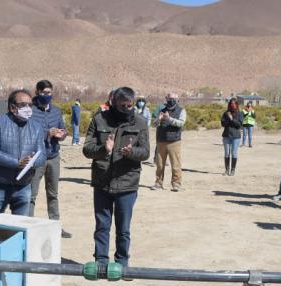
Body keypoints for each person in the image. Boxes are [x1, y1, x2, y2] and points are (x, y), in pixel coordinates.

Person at [83, 87, 149, 269]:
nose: (127, 109)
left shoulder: (140, 122)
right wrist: (104, 149)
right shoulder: (99, 119)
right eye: (123, 105)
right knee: (102, 226)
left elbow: (145, 152)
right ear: (113, 103)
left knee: (123, 229)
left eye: (130, 105)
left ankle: (122, 263)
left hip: (127, 183)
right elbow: (87, 149)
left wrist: (131, 152)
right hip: (102, 182)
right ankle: (101, 263)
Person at [0, 89, 46, 215]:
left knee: (20, 227)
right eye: (23, 105)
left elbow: (42, 155)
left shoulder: (36, 127)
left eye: (30, 105)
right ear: (12, 107)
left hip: (24, 185)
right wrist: (17, 162)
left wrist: (31, 162)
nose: (28, 108)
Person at [28, 80, 72, 238]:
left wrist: (62, 133)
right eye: (44, 92)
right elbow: (28, 132)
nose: (47, 95)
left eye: (49, 92)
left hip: (53, 156)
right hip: (37, 157)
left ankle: (55, 225)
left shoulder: (56, 111)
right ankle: (27, 227)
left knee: (53, 193)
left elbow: (62, 128)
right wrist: (48, 133)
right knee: (31, 195)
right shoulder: (30, 110)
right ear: (37, 91)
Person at [152, 92, 187, 191]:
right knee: (159, 164)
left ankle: (176, 184)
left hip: (174, 141)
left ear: (177, 99)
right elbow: (154, 124)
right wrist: (158, 120)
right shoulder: (161, 110)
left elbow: (181, 123)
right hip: (161, 140)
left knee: (175, 164)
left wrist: (169, 119)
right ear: (166, 98)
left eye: (173, 98)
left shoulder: (181, 110)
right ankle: (158, 183)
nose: (171, 100)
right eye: (169, 98)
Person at [221, 98, 244, 176]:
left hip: (236, 137)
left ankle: (233, 170)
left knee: (234, 153)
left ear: (237, 104)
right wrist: (228, 120)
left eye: (234, 103)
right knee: (227, 153)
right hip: (226, 136)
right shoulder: (226, 113)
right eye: (231, 103)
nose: (232, 105)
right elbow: (223, 123)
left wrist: (231, 119)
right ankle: (227, 170)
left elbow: (239, 125)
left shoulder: (240, 114)